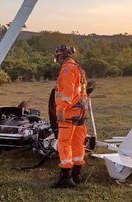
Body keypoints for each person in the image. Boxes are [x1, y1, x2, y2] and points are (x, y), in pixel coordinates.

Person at [51, 45, 89, 188]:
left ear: (61, 56)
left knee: (64, 143)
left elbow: (67, 92)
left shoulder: (67, 69)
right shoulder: (79, 69)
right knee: (77, 143)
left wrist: (60, 109)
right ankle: (76, 174)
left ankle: (66, 178)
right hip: (80, 112)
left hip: (69, 112)